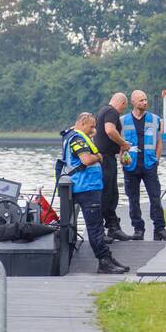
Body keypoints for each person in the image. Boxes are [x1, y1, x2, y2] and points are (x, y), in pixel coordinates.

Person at [61, 112, 130, 274]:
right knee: (95, 227)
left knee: (97, 225)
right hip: (86, 187)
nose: (93, 130)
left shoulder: (75, 135)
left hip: (89, 186)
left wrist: (91, 136)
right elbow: (85, 159)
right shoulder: (77, 138)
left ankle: (107, 257)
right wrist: (98, 157)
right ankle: (103, 261)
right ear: (83, 123)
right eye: (91, 126)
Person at [121, 90, 166, 242]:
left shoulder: (155, 119)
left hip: (149, 164)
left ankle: (160, 228)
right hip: (130, 165)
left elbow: (158, 142)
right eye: (141, 100)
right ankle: (138, 229)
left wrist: (157, 160)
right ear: (133, 102)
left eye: (145, 99)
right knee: (133, 199)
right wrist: (121, 158)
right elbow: (119, 142)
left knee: (155, 197)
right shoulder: (123, 120)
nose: (145, 102)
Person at [94, 93, 132, 243]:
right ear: (121, 103)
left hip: (106, 157)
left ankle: (112, 226)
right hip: (106, 159)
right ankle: (102, 230)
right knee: (107, 194)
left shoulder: (102, 111)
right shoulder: (112, 112)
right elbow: (110, 130)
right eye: (125, 106)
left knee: (111, 193)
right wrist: (123, 143)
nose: (123, 110)